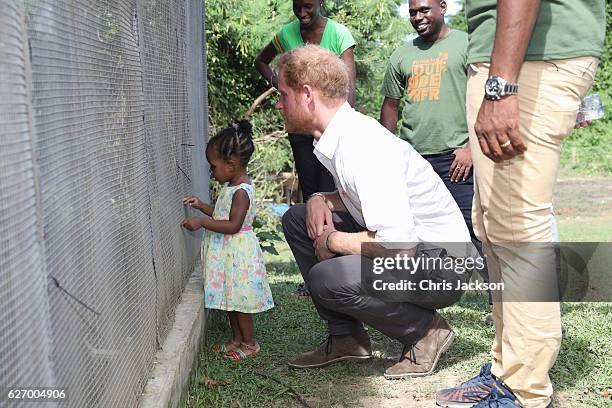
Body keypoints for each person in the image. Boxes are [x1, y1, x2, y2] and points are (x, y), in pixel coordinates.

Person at [435, 1, 604, 407]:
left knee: (516, 227)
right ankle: (505, 371)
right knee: (492, 225)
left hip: (527, 62)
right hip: (512, 58)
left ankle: (524, 390)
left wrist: (501, 86)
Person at [277, 45, 475, 379]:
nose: (279, 104)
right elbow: (359, 197)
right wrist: (320, 199)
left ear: (307, 95)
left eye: (283, 94)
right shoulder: (340, 136)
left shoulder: (361, 145)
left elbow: (400, 245)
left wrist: (335, 240)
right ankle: (347, 339)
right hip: (424, 255)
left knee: (329, 279)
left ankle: (426, 333)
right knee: (298, 220)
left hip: (444, 266)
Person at [379, 0, 492, 322]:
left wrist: (471, 146)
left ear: (443, 7)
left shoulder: (466, 44)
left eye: (424, 10)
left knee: (476, 230)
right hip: (415, 161)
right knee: (416, 232)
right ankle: (420, 301)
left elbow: (485, 96)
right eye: (413, 12)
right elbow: (390, 105)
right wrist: (389, 150)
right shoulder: (402, 54)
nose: (418, 17)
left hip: (457, 156)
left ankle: (498, 302)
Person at [181, 120, 274, 361]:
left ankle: (250, 343)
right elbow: (223, 215)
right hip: (228, 254)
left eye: (213, 167)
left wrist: (201, 223)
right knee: (231, 298)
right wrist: (202, 207)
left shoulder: (242, 191)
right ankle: (236, 339)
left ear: (231, 164)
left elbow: (233, 225)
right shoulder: (232, 186)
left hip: (238, 254)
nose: (212, 172)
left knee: (240, 301)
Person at [255, 0, 357, 203]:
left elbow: (349, 85)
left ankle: (332, 234)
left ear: (321, 2)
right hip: (301, 127)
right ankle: (312, 232)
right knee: (310, 193)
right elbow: (261, 61)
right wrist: (280, 86)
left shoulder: (339, 34)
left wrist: (341, 130)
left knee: (331, 189)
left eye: (308, 6)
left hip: (329, 130)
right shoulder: (286, 34)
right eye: (297, 6)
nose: (301, 13)